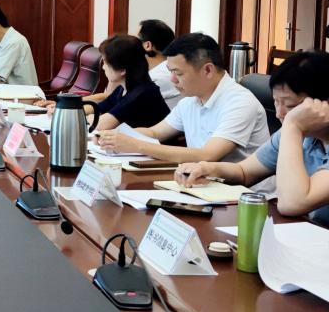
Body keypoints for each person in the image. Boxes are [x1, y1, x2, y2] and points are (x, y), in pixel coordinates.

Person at [175, 51, 329, 224]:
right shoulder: (296, 133)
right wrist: (206, 168)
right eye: (276, 102)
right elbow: (244, 172)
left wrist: (293, 126)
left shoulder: (293, 128)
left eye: (291, 106)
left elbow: (292, 204)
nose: (279, 114)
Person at [97, 33, 269, 164]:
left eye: (178, 73)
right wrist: (115, 136)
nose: (172, 80)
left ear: (207, 70)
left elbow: (208, 155)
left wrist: (136, 145)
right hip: (201, 184)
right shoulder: (189, 101)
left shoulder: (239, 103)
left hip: (244, 194)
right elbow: (155, 132)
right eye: (170, 72)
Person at [87, 35, 169, 130]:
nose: (103, 67)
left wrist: (89, 117)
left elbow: (100, 125)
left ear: (122, 69)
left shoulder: (143, 93)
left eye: (105, 63)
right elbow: (99, 108)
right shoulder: (122, 88)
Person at [138, 19, 182, 109]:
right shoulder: (161, 70)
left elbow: (120, 108)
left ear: (147, 45)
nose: (129, 44)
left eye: (134, 40)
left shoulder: (159, 77)